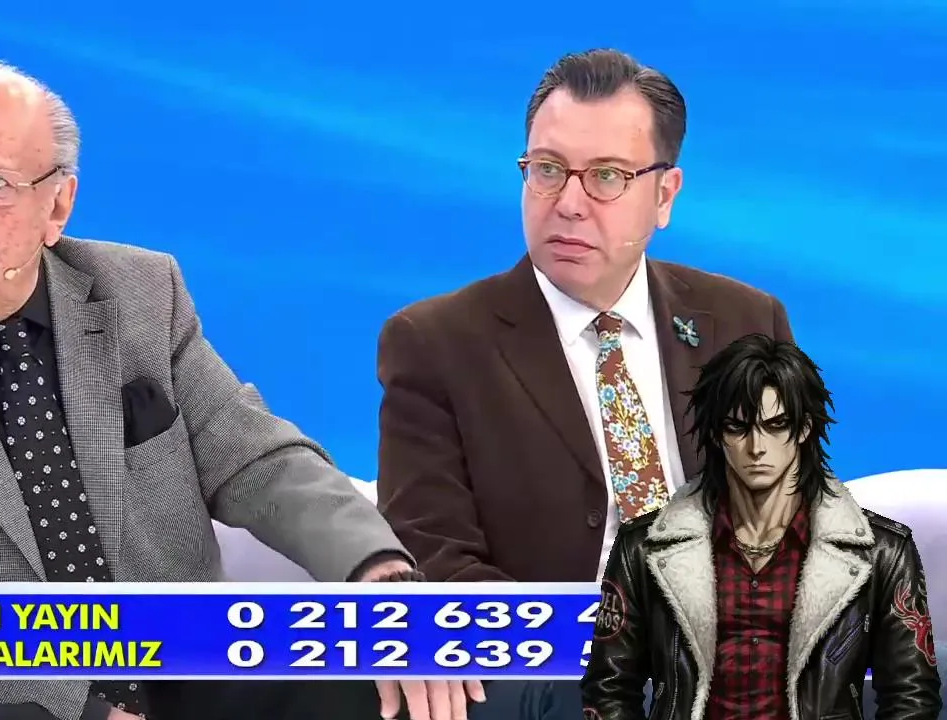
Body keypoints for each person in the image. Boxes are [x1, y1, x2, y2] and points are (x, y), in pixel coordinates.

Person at [0, 61, 482, 720]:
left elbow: (256, 459)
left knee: (438, 695)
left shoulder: (138, 294)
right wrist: (86, 705)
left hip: (174, 675)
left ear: (57, 208)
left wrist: (376, 573)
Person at [375, 47, 795, 720]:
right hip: (554, 677)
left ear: (664, 195)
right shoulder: (437, 344)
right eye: (547, 170)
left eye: (605, 177)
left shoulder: (746, 323)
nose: (568, 204)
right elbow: (435, 558)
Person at [581, 333, 942, 719]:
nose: (757, 447)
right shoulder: (644, 549)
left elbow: (911, 696)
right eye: (738, 427)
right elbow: (609, 688)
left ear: (804, 428)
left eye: (776, 425)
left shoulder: (882, 552)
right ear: (717, 433)